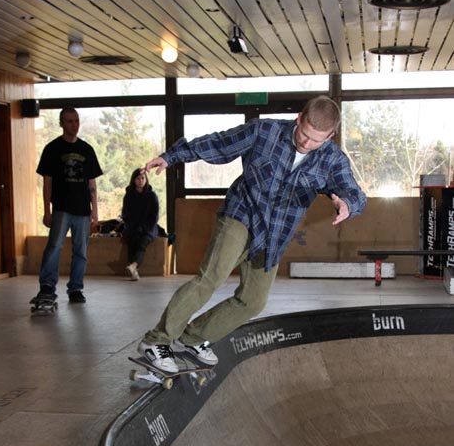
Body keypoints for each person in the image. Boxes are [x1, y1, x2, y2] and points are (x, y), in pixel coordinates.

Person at [137, 95, 366, 372]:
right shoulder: (264, 131)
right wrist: (171, 156)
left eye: (316, 140)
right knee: (211, 277)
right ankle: (157, 340)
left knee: (253, 301)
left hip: (274, 235)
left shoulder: (332, 159)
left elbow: (353, 191)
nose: (307, 143)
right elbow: (219, 144)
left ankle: (192, 337)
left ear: (330, 135)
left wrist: (347, 204)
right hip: (241, 215)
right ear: (299, 119)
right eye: (304, 134)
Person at [32, 107, 103, 305]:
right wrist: (46, 210)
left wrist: (94, 211)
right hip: (61, 208)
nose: (74, 125)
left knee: (81, 250)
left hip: (82, 210)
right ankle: (47, 286)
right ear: (62, 124)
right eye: (70, 121)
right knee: (54, 246)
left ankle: (76, 288)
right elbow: (47, 182)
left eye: (76, 121)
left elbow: (92, 183)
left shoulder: (86, 150)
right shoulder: (52, 149)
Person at [121, 168, 160, 281]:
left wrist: (144, 227)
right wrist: (132, 226)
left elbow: (154, 216)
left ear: (146, 179)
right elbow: (125, 214)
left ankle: (133, 266)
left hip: (149, 228)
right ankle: (134, 269)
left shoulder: (152, 196)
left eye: (143, 178)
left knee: (142, 243)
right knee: (131, 240)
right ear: (133, 180)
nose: (140, 180)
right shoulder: (128, 196)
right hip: (133, 227)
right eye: (138, 178)